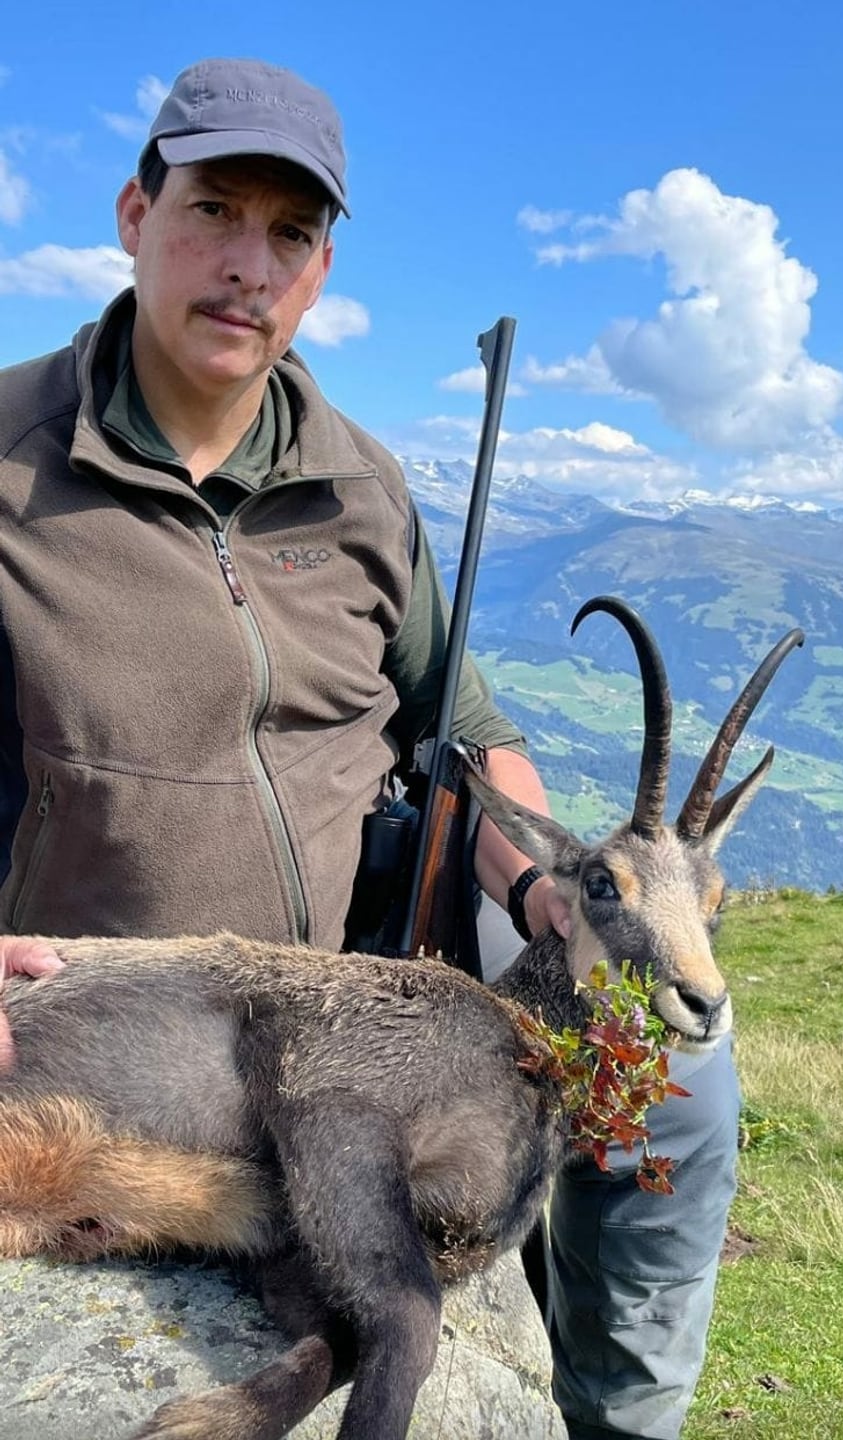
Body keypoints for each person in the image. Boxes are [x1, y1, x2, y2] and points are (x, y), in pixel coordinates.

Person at [0, 58, 739, 1438]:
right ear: (132, 214)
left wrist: (540, 893)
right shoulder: (9, 459)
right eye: (216, 211)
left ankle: (618, 1412)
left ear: (323, 267)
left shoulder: (359, 483)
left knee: (692, 1083)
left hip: (364, 971)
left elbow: (460, 719)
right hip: (151, 996)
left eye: (291, 235)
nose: (248, 266)